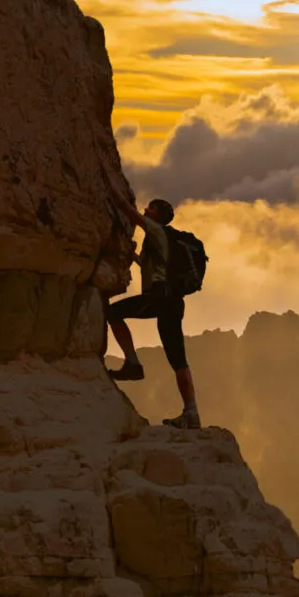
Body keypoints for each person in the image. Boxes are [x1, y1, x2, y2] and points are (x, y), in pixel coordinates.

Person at [102, 163, 201, 429]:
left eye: (151, 208)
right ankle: (192, 413)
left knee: (111, 312)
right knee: (177, 359)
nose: (146, 210)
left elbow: (127, 211)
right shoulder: (161, 240)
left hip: (160, 298)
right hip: (172, 301)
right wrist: (130, 254)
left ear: (157, 215)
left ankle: (132, 364)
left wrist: (107, 180)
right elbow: (145, 264)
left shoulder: (155, 230)